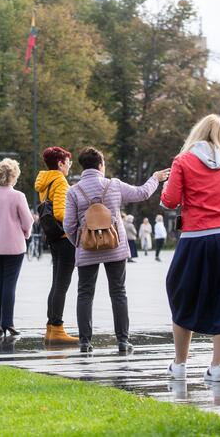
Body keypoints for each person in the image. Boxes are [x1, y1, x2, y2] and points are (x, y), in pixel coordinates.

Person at [162, 114, 220, 383]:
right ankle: (217, 367)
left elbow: (170, 200)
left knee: (182, 296)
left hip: (195, 238)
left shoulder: (183, 160)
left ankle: (180, 364)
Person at [63, 147, 168, 353]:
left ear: (83, 166)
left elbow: (68, 224)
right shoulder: (114, 185)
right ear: (101, 165)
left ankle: (85, 342)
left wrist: (80, 241)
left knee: (85, 293)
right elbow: (142, 193)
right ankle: (122, 340)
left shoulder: (73, 191)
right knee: (118, 292)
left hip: (87, 248)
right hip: (115, 247)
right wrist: (155, 178)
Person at [0, 158, 34, 336]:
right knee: (10, 284)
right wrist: (25, 233)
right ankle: (8, 322)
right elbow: (27, 221)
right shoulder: (18, 196)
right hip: (13, 246)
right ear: (14, 176)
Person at [34, 146, 79, 344]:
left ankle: (51, 329)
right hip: (64, 237)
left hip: (52, 237)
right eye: (68, 162)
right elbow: (61, 212)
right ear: (60, 164)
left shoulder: (45, 182)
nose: (69, 165)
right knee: (62, 284)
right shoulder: (60, 180)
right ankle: (57, 328)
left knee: (56, 283)